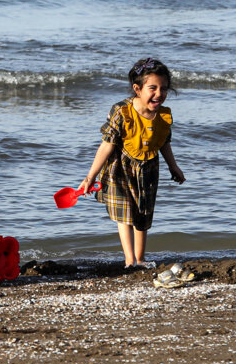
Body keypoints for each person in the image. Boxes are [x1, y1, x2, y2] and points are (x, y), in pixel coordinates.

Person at [79, 57, 186, 268]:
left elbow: (164, 142)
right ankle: (129, 260)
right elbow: (107, 145)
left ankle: (140, 259)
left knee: (142, 214)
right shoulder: (122, 111)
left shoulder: (163, 116)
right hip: (120, 167)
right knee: (124, 214)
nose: (159, 94)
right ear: (137, 89)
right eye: (152, 88)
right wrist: (90, 177)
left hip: (148, 168)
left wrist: (173, 166)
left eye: (164, 88)